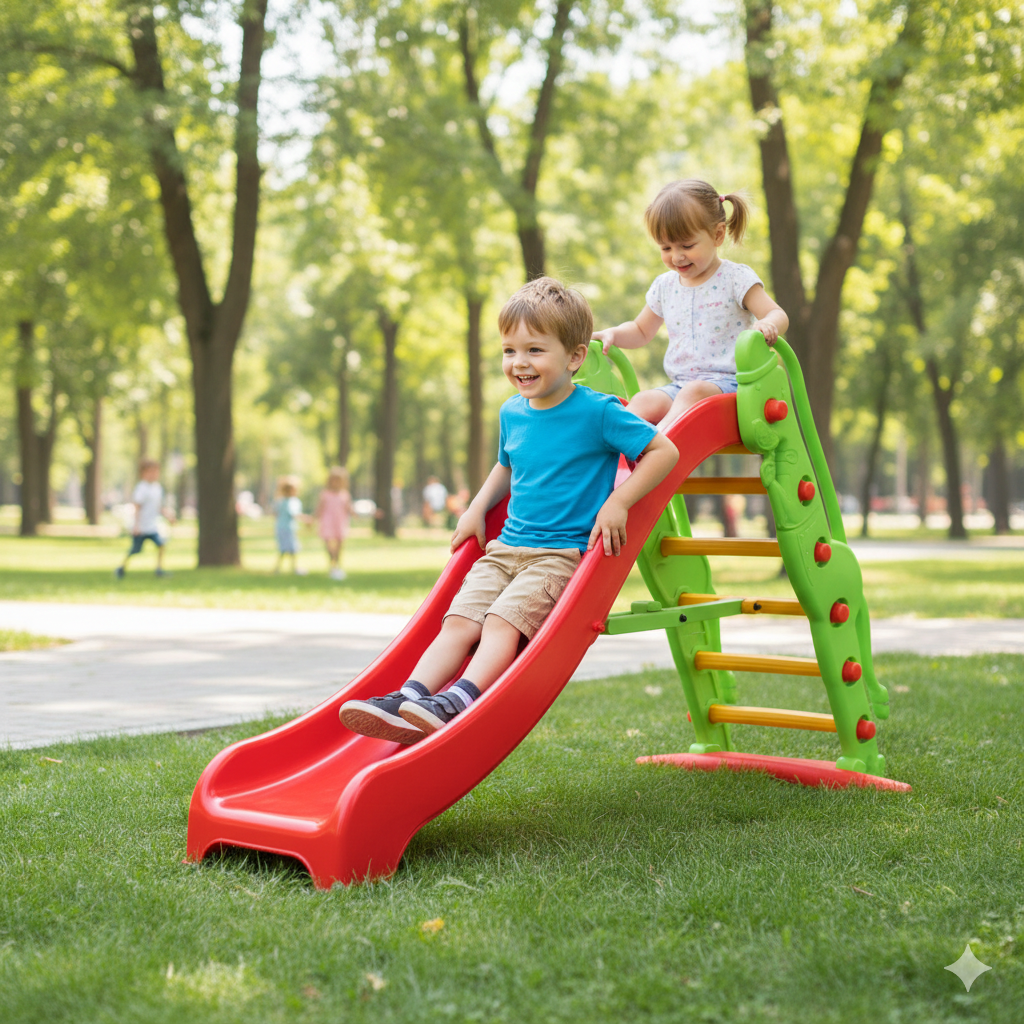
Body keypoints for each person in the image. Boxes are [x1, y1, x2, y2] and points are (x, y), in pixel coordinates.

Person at [340, 277, 678, 744]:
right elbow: (505, 466)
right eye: (509, 351)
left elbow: (664, 451)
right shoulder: (512, 412)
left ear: (575, 357)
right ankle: (409, 697)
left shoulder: (598, 412)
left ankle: (457, 700)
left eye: (535, 350)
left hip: (557, 556)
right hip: (504, 549)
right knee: (460, 620)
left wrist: (618, 502)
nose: (519, 362)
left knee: (501, 622)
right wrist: (476, 509)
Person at [592, 178, 789, 431]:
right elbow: (640, 330)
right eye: (666, 247)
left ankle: (656, 442)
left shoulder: (735, 278)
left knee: (692, 393)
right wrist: (613, 334)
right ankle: (612, 449)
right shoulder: (665, 286)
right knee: (644, 400)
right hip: (680, 387)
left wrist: (768, 324)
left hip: (733, 388)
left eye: (687, 245)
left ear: (717, 235)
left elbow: (776, 313)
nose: (677, 256)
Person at [116, 459, 174, 579]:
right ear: (143, 473)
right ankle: (121, 568)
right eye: (150, 472)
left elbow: (158, 506)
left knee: (161, 544)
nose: (153, 474)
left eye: (155, 472)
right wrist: (136, 525)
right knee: (135, 550)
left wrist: (168, 515)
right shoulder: (141, 488)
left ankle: (159, 569)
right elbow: (137, 507)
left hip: (152, 526)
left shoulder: (157, 488)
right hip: (141, 526)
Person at [316, 466, 354, 581]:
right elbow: (319, 509)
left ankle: (337, 565)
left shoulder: (345, 494)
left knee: (339, 545)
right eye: (334, 480)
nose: (336, 483)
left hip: (340, 522)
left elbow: (350, 509)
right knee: (328, 544)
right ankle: (333, 564)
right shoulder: (325, 494)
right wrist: (313, 519)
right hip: (327, 522)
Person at [274, 476, 308, 575]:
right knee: (290, 548)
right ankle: (292, 568)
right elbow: (294, 514)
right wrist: (306, 519)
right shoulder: (291, 502)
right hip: (287, 528)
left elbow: (276, 513)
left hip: (282, 528)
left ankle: (285, 568)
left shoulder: (280, 501)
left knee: (286, 549)